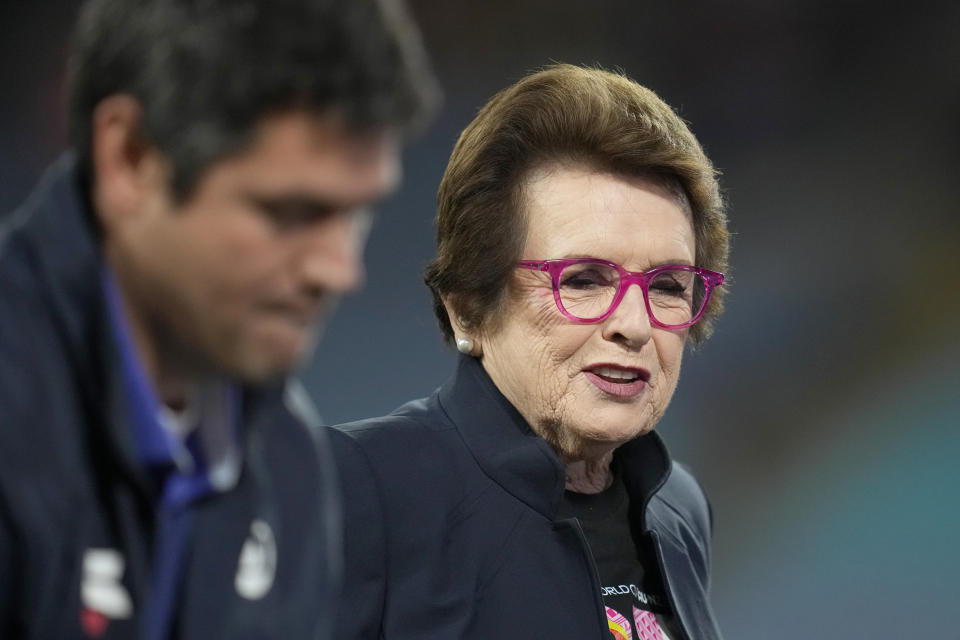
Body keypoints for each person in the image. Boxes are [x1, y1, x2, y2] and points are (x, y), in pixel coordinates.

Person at [0, 0, 437, 638]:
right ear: (131, 157)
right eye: (290, 212)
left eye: (356, 215)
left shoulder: (291, 471)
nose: (339, 270)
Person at [329, 64, 729, 640]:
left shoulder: (678, 508)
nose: (635, 325)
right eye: (584, 279)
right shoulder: (351, 490)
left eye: (668, 286)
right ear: (468, 306)